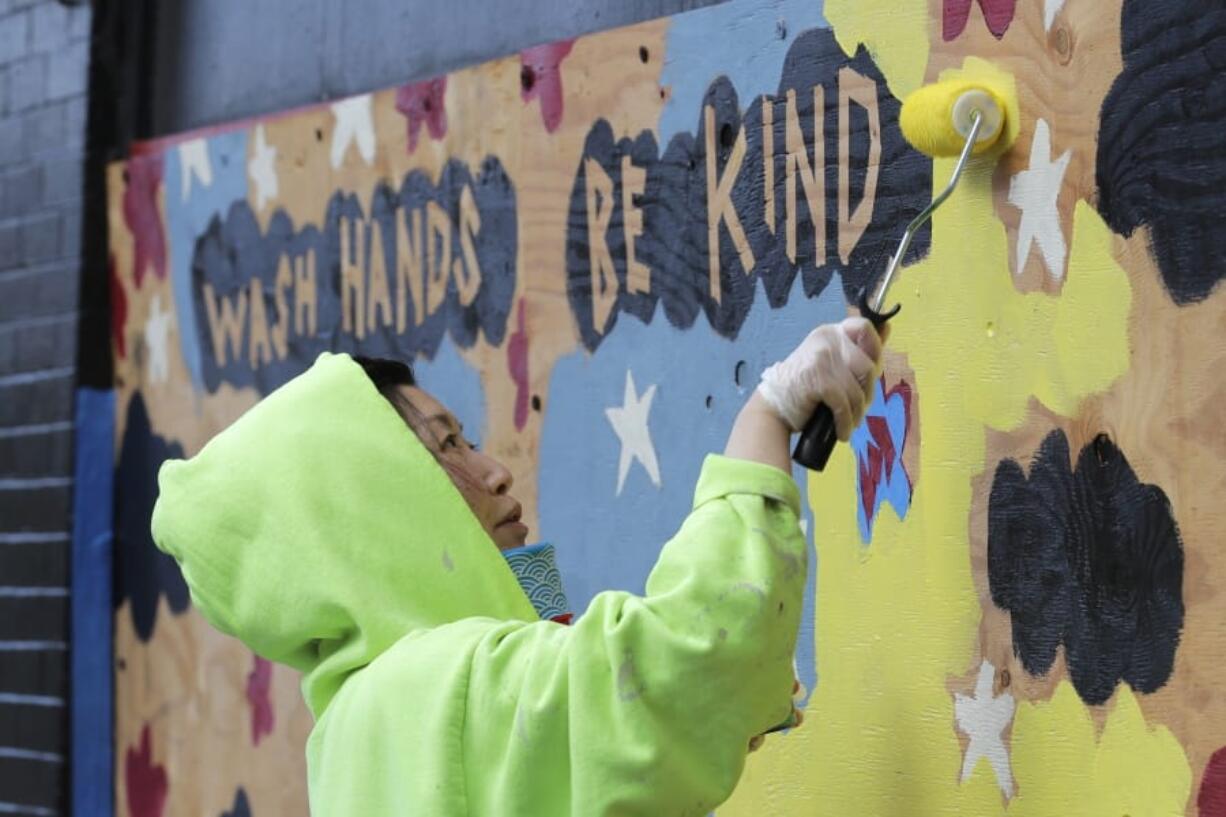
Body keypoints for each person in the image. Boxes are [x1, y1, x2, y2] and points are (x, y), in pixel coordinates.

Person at [152, 317, 884, 816]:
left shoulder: (355, 728)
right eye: (447, 447)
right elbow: (694, 652)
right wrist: (770, 416)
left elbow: (563, 653)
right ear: (372, 505)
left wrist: (736, 706)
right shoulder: (442, 689)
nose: (495, 470)